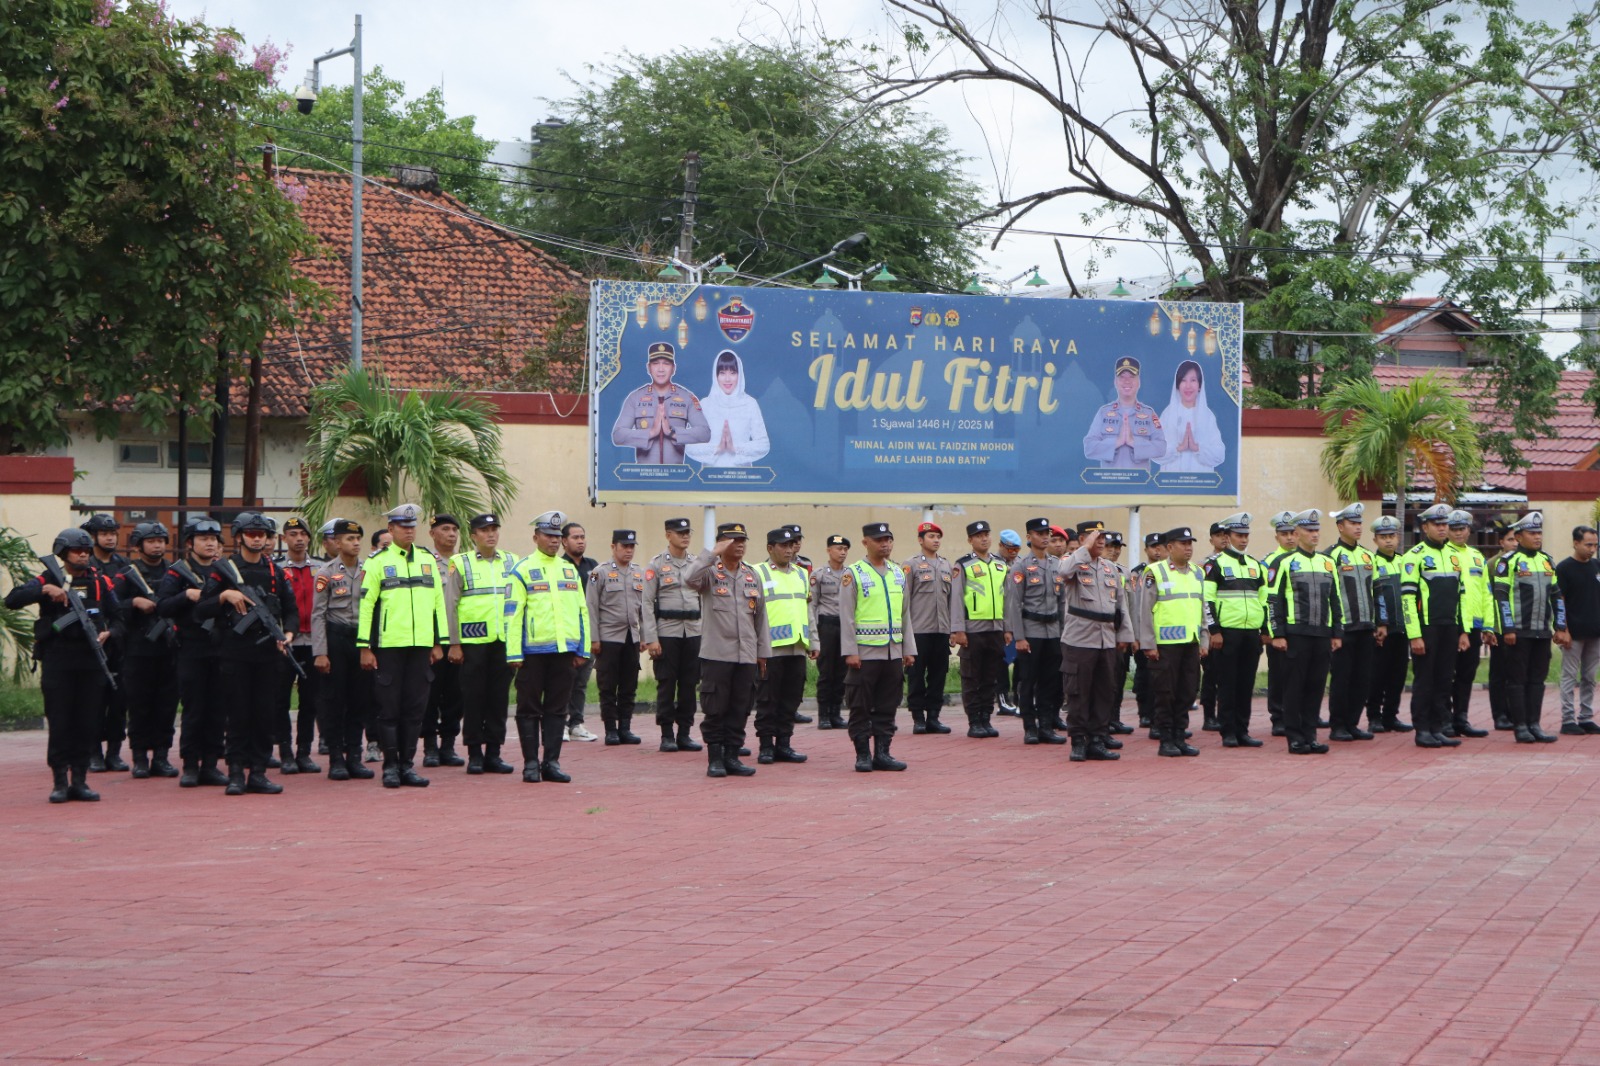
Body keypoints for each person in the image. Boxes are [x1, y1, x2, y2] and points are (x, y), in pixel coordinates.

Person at [6, 529, 122, 803]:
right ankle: (60, 781)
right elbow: (12, 599)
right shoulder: (49, 577)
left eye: (86, 551)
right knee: (60, 722)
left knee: (87, 722)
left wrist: (110, 633)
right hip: (58, 662)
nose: (83, 555)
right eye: (76, 551)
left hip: (91, 662)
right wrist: (45, 590)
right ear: (62, 553)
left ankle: (79, 781)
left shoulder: (99, 581)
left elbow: (119, 617)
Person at [196, 513, 299, 795]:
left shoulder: (275, 571)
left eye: (262, 534)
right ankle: (236, 773)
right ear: (239, 536)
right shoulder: (224, 570)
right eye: (251, 534)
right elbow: (201, 608)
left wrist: (289, 634)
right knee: (238, 714)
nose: (257, 539)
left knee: (264, 715)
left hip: (268, 654)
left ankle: (259, 772)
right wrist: (223, 597)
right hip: (234, 654)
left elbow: (291, 610)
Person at [357, 503, 447, 788]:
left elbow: (438, 602)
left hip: (421, 645)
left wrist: (439, 641)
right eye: (403, 526)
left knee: (414, 709)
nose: (409, 531)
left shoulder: (427, 559)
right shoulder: (377, 561)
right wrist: (365, 646)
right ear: (391, 529)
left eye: (412, 526)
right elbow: (367, 606)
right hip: (389, 646)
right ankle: (390, 767)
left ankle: (408, 766)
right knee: (389, 709)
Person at [507, 511, 590, 783]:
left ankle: (551, 763)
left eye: (557, 536)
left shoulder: (569, 569)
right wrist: (513, 652)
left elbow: (581, 610)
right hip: (532, 653)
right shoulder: (522, 569)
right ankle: (531, 764)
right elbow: (512, 614)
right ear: (536, 537)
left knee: (557, 709)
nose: (554, 541)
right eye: (548, 535)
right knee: (528, 709)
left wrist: (582, 648)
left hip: (563, 652)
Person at [684, 522, 769, 778]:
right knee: (715, 707)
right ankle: (715, 758)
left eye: (743, 540)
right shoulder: (710, 572)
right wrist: (711, 554)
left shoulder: (752, 575)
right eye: (734, 540)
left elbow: (761, 617)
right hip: (717, 654)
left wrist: (762, 653)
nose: (740, 545)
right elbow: (688, 579)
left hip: (746, 654)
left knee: (740, 707)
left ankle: (733, 756)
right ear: (722, 543)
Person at [444, 512, 519, 774]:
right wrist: (454, 643)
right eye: (485, 530)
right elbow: (451, 604)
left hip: (503, 642)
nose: (491, 534)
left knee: (499, 699)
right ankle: (475, 754)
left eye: (494, 529)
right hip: (472, 642)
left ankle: (494, 753)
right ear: (474, 535)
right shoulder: (460, 562)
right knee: (474, 698)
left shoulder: (511, 561)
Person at [157, 518, 228, 788]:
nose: (210, 543)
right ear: (190, 543)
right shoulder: (178, 573)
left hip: (220, 647)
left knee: (217, 709)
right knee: (194, 708)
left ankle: (210, 764)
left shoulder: (224, 570)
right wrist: (186, 595)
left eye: (214, 539)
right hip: (191, 647)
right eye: (203, 539)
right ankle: (190, 764)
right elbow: (162, 606)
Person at [840, 522, 915, 771]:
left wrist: (908, 649)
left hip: (893, 652)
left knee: (888, 704)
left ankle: (883, 753)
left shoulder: (897, 573)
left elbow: (905, 614)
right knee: (860, 705)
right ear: (865, 542)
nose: (885, 544)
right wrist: (850, 651)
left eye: (888, 540)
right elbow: (846, 616)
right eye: (879, 540)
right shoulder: (854, 573)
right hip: (865, 653)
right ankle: (862, 754)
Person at [1266, 510, 1341, 755]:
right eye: (1309, 530)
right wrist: (1277, 633)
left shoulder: (1327, 562)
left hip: (1322, 634)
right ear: (1297, 534)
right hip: (1296, 634)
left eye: (1316, 530)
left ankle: (1311, 735)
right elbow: (1273, 600)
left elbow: (1335, 599)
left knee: (1316, 687)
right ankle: (1295, 738)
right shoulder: (1283, 562)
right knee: (1294, 688)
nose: (1314, 534)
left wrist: (1337, 632)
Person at [1493, 511, 1570, 744]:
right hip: (1518, 631)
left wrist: (1560, 625)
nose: (1537, 537)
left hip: (1542, 631)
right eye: (1532, 533)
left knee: (1537, 679)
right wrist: (1508, 628)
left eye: (1539, 533)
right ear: (1518, 536)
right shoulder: (1508, 562)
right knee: (1517, 679)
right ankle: (1520, 726)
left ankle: (1534, 724)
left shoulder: (1547, 560)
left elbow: (1556, 596)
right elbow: (1501, 596)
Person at [1061, 523, 1135, 761]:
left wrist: (1125, 634)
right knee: (1078, 693)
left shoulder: (1110, 568)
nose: (1102, 541)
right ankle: (1078, 741)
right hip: (1080, 639)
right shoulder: (1072, 562)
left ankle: (1097, 740)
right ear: (1083, 539)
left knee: (1104, 692)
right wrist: (1084, 548)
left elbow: (1121, 604)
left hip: (1106, 639)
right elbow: (1063, 572)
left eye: (1103, 537)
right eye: (1096, 537)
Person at [113, 521, 181, 779]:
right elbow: (112, 606)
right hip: (138, 649)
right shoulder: (126, 574)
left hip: (168, 648)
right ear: (138, 546)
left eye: (161, 541)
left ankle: (161, 756)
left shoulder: (175, 572)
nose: (157, 546)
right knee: (139, 705)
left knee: (166, 705)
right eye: (151, 541)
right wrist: (134, 602)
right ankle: (140, 757)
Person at [310, 519, 375, 782]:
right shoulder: (325, 573)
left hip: (361, 640)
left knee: (360, 700)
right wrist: (320, 652)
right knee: (335, 700)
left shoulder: (369, 570)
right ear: (337, 543)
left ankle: (355, 757)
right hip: (336, 640)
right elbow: (318, 614)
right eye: (349, 539)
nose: (356, 543)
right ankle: (336, 758)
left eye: (358, 538)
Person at [1402, 504, 1470, 748]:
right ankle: (1422, 730)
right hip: (1426, 628)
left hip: (1449, 627)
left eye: (1445, 524)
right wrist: (1414, 635)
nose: (1442, 528)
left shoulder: (1454, 555)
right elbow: (1407, 598)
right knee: (1425, 680)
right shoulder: (1414, 556)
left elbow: (1462, 596)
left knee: (1444, 679)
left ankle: (1438, 727)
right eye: (1437, 524)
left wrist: (1463, 631)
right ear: (1425, 527)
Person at [1138, 527, 1209, 757]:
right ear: (1170, 547)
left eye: (1190, 543)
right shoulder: (1154, 572)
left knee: (1187, 692)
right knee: (1165, 693)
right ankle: (1166, 739)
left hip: (1190, 643)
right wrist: (1148, 644)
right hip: (1165, 645)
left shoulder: (1197, 572)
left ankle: (1180, 736)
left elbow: (1201, 608)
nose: (1188, 548)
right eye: (1183, 544)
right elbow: (1145, 611)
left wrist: (1204, 639)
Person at [1203, 512, 1267, 748]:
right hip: (1227, 633)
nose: (1243, 540)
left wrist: (1265, 630)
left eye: (1246, 535)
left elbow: (1264, 600)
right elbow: (1207, 600)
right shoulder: (1216, 565)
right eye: (1239, 535)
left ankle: (1243, 730)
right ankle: (1228, 731)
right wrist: (1214, 630)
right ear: (1228, 537)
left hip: (1251, 634)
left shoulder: (1255, 565)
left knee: (1246, 684)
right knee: (1227, 684)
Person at [641, 517, 704, 754]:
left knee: (690, 683)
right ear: (668, 535)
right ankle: (667, 734)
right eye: (680, 533)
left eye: (688, 532)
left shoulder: (696, 563)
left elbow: (704, 599)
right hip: (667, 631)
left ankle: (684, 733)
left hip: (693, 630)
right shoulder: (656, 564)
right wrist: (651, 638)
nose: (685, 536)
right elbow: (647, 603)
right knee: (666, 683)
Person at [751, 527, 811, 764]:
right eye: (783, 545)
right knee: (767, 699)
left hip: (797, 645)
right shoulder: (758, 572)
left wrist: (813, 641)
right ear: (770, 548)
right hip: (770, 647)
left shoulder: (801, 573)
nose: (789, 550)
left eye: (791, 545)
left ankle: (784, 744)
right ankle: (766, 745)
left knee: (791, 698)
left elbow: (808, 610)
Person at [1005, 517, 1066, 746]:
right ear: (1029, 537)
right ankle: (1030, 727)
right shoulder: (1021, 566)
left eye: (1046, 533)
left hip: (1053, 631)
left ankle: (1046, 726)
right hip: (1031, 631)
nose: (1045, 537)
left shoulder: (1056, 564)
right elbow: (1014, 604)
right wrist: (1019, 637)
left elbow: (1062, 602)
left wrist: (1063, 633)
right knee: (1028, 680)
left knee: (1050, 681)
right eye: (1039, 534)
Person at [1324, 504, 1379, 742]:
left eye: (1359, 523)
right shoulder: (1330, 555)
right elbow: (1327, 595)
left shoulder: (1368, 555)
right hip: (1343, 628)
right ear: (1340, 526)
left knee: (1362, 679)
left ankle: (1353, 723)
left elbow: (1376, 590)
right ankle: (1338, 726)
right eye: (1353, 523)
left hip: (1366, 627)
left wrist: (1379, 623)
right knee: (1341, 679)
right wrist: (1333, 629)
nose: (1358, 528)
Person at [951, 520, 1009, 738]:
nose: (984, 539)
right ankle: (974, 721)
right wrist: (958, 629)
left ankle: (986, 718)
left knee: (990, 677)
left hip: (996, 629)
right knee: (971, 678)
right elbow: (956, 599)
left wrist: (1008, 628)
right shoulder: (963, 565)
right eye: (978, 535)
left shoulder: (1000, 564)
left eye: (986, 534)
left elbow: (1007, 599)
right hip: (972, 630)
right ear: (970, 540)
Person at [587, 530, 646, 747]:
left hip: (631, 637)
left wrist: (645, 636)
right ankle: (611, 729)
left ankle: (625, 728)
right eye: (624, 546)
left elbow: (644, 608)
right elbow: (591, 606)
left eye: (631, 546)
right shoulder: (599, 572)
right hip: (608, 637)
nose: (629, 550)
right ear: (613, 547)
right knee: (608, 685)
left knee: (629, 685)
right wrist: (594, 638)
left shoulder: (639, 573)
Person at [81, 513, 129, 773]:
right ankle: (93, 752)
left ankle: (114, 752)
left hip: (118, 641)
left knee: (119, 701)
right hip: (90, 644)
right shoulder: (84, 565)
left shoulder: (124, 565)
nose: (110, 538)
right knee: (93, 701)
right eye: (104, 533)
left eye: (112, 533)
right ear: (93, 536)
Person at [609, 341, 712, 464]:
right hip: (644, 473)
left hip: (676, 473)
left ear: (673, 368)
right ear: (648, 368)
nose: (661, 369)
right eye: (656, 363)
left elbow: (705, 433)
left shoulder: (687, 397)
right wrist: (651, 433)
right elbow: (618, 435)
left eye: (666, 364)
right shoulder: (635, 398)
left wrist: (672, 433)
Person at [274, 517, 323, 774]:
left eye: (303, 534)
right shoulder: (276, 568)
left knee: (310, 700)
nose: (299, 539)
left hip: (315, 641)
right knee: (281, 699)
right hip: (286, 642)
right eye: (293, 534)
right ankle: (285, 753)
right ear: (284, 539)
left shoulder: (322, 568)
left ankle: (304, 752)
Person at [421, 515, 466, 768]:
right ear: (432, 534)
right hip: (432, 639)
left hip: (458, 638)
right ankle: (429, 746)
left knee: (455, 694)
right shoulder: (424, 562)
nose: (451, 534)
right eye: (445, 529)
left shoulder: (463, 562)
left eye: (454, 530)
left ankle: (448, 745)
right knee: (430, 693)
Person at [1443, 510, 1492, 739]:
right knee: (1446, 673)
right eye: (1453, 529)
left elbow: (1486, 593)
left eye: (1462, 529)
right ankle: (1445, 719)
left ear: (1469, 530)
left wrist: (1488, 625)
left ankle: (1461, 718)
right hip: (1450, 624)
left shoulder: (1477, 556)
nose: (1458, 533)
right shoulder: (1442, 554)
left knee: (1466, 674)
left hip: (1474, 625)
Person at [903, 521, 954, 735]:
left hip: (941, 630)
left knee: (938, 675)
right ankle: (918, 718)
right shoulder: (911, 565)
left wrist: (952, 629)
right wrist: (905, 632)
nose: (936, 540)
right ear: (920, 540)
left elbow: (951, 601)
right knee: (915, 675)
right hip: (918, 631)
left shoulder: (946, 565)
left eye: (938, 537)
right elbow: (904, 600)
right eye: (931, 536)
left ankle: (934, 716)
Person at [1364, 515, 1413, 733]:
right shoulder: (1371, 563)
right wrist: (1378, 623)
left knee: (1398, 675)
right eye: (1383, 537)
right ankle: (1374, 716)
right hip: (1382, 630)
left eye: (1392, 536)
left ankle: (1391, 716)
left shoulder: (1405, 562)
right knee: (1377, 675)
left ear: (1398, 537)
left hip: (1403, 628)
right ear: (1375, 540)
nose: (1388, 540)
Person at [685, 349, 770, 467]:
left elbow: (763, 444)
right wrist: (717, 449)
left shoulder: (750, 404)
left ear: (739, 375)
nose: (727, 379)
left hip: (742, 476)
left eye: (732, 373)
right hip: (710, 476)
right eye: (722, 373)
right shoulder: (705, 405)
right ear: (716, 376)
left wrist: (735, 449)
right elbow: (689, 445)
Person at [1083, 356, 1166, 469]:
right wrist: (1117, 442)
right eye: (1122, 377)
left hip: (1140, 480)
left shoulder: (1149, 414)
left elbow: (1161, 447)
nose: (1127, 381)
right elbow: (1089, 448)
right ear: (1115, 382)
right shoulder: (1103, 412)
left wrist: (1133, 442)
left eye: (1132, 376)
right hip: (1110, 479)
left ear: (1139, 382)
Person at [1556, 525, 1600, 734]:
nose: (1592, 549)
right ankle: (1567, 720)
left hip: (1595, 632)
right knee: (1569, 676)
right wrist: (1562, 629)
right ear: (1575, 543)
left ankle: (1585, 717)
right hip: (1573, 633)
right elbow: (1560, 600)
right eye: (1588, 545)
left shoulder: (1597, 566)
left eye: (1595, 545)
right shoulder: (1564, 568)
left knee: (1590, 677)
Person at [560, 523, 601, 744]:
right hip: (566, 632)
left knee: (581, 682)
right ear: (564, 541)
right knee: (563, 680)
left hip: (588, 632)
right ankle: (560, 723)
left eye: (583, 536)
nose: (580, 541)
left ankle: (576, 723)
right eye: (575, 537)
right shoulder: (559, 566)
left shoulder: (593, 567)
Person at [1260, 510, 1298, 737]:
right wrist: (1268, 630)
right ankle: (1278, 717)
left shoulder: (1304, 559)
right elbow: (1265, 599)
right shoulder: (1269, 562)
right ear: (1277, 536)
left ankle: (1300, 714)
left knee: (1300, 674)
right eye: (1285, 534)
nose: (1290, 537)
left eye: (1293, 532)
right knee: (1279, 674)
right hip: (1278, 627)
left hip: (1300, 627)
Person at [810, 534, 851, 731]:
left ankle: (836, 713)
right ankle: (824, 715)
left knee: (842, 671)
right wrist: (813, 632)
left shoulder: (850, 574)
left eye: (845, 549)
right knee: (826, 672)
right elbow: (812, 604)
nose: (842, 552)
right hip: (826, 625)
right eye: (838, 548)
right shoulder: (818, 575)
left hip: (845, 625)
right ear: (829, 550)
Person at [1156, 359, 1226, 474]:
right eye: (1183, 380)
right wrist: (1179, 448)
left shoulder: (1208, 416)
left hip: (1200, 481)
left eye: (1193, 380)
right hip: (1172, 480)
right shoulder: (1168, 414)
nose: (1188, 386)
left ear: (1199, 385)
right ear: (1177, 385)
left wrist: (1196, 448)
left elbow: (1220, 454)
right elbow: (1155, 452)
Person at [1130, 531, 1168, 731]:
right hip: (1144, 633)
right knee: (1145, 676)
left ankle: (1162, 718)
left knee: (1164, 679)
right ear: (1146, 550)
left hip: (1166, 634)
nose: (1157, 551)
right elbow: (1136, 606)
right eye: (1153, 547)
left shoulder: (1170, 571)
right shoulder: (1138, 573)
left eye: (1160, 546)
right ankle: (1145, 713)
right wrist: (1136, 636)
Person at [1198, 522, 1230, 732]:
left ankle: (1226, 715)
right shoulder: (1204, 565)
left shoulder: (1240, 562)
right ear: (1211, 539)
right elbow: (1203, 599)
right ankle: (1209, 716)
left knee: (1228, 675)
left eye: (1226, 534)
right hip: (1212, 627)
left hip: (1231, 627)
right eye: (1219, 535)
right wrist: (1208, 629)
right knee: (1210, 674)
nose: (1224, 538)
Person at [1487, 523, 1519, 730]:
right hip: (1500, 626)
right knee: (1499, 673)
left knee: (1517, 673)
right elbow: (1489, 596)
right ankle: (1500, 714)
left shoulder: (1525, 562)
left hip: (1521, 626)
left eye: (1517, 539)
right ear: (1501, 542)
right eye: (1510, 539)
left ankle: (1516, 713)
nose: (1514, 543)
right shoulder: (1493, 564)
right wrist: (1490, 626)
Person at [995, 528, 1023, 717]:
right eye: (1010, 549)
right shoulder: (993, 563)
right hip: (1001, 620)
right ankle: (1003, 701)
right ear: (1001, 545)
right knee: (1002, 663)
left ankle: (1019, 699)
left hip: (1019, 620)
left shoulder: (1021, 564)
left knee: (1020, 662)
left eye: (1016, 549)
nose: (1013, 553)